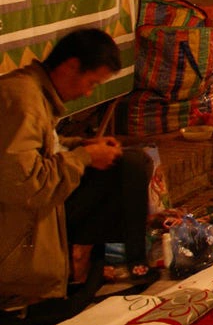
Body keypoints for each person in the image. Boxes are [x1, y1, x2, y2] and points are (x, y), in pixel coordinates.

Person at [1, 28, 153, 310]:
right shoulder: (24, 99)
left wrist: (83, 145)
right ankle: (84, 256)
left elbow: (47, 147)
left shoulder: (35, 92)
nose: (87, 92)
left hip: (39, 197)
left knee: (133, 161)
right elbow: (26, 186)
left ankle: (126, 259)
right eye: (91, 83)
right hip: (17, 227)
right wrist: (84, 157)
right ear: (71, 66)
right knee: (128, 168)